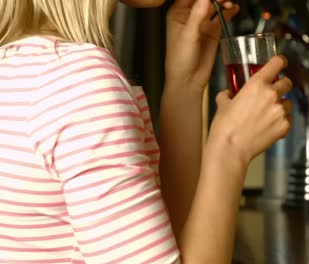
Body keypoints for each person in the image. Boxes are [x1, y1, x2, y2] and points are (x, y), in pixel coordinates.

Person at [0, 0, 292, 263]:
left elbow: (159, 250)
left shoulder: (24, 66)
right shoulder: (78, 80)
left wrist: (184, 85)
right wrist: (231, 148)